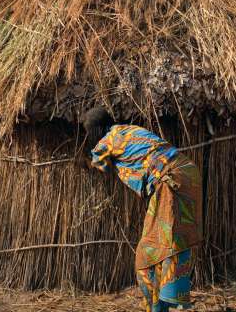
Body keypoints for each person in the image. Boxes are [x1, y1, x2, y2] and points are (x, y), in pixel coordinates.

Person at [80, 106, 203, 312]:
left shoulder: (107, 141)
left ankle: (158, 307)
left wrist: (84, 160)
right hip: (188, 175)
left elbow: (99, 164)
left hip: (170, 182)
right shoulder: (130, 130)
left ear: (95, 130)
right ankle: (162, 304)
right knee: (168, 244)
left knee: (148, 256)